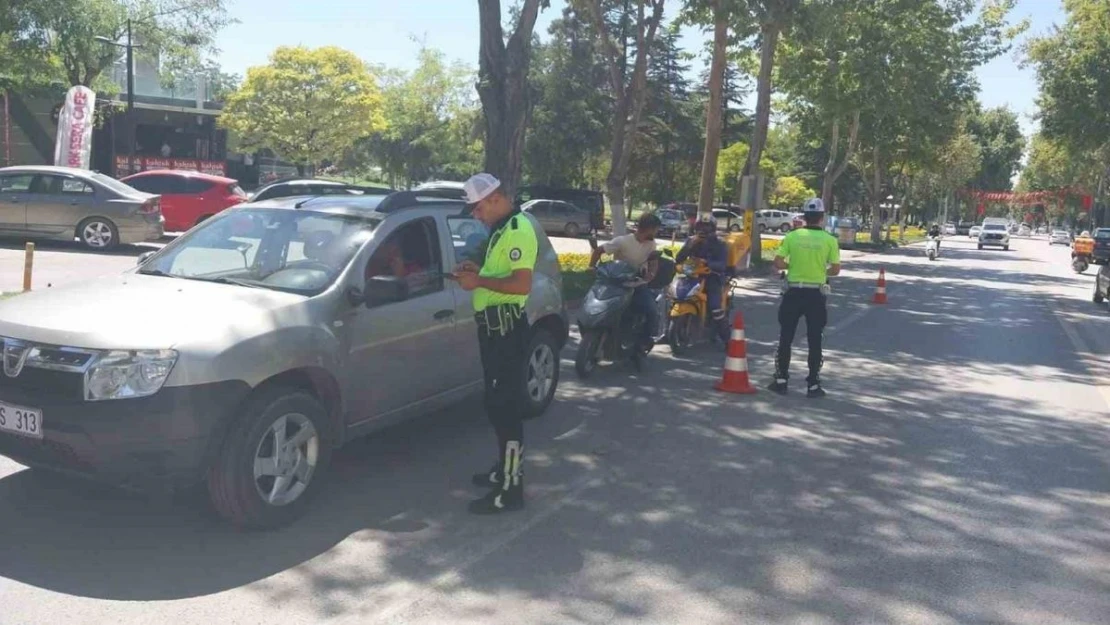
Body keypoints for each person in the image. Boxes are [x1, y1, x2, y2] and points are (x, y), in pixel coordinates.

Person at [454, 173, 539, 515]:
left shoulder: (518, 229)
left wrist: (479, 280)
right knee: (496, 405)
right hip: (493, 330)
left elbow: (521, 285)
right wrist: (479, 269)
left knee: (505, 409)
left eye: (476, 208)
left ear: (493, 198)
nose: (475, 215)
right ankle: (503, 470)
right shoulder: (502, 229)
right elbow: (502, 273)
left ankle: (510, 489)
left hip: (505, 329)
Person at [769, 198, 841, 398]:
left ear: (804, 216)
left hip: (793, 293)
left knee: (786, 337)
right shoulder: (830, 240)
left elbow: (778, 262)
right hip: (815, 295)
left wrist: (793, 267)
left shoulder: (792, 236)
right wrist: (820, 269)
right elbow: (835, 270)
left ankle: (781, 380)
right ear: (822, 217)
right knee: (815, 339)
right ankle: (813, 385)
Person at [589, 212, 662, 349]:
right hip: (616, 284)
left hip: (637, 284)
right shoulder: (622, 241)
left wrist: (651, 274)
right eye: (656, 229)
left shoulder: (651, 245)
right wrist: (591, 267)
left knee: (651, 310)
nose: (657, 232)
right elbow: (599, 251)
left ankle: (644, 341)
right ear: (649, 228)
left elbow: (653, 260)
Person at [675, 216, 731, 344]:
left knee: (715, 307)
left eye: (706, 228)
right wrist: (689, 246)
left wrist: (707, 262)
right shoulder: (691, 241)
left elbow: (722, 265)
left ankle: (727, 340)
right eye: (700, 227)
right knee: (674, 298)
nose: (703, 231)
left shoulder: (720, 244)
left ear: (713, 229)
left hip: (712, 278)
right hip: (692, 276)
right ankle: (668, 333)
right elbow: (679, 259)